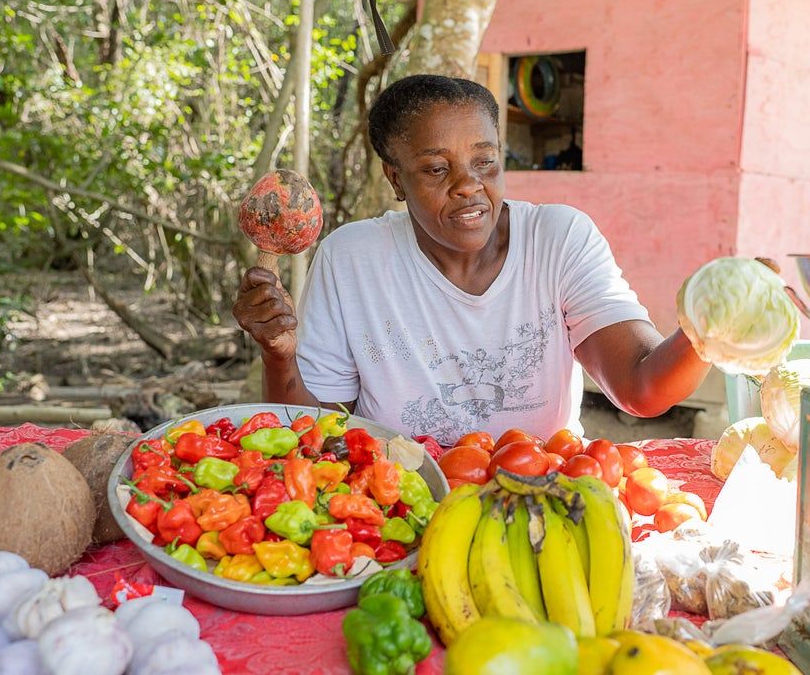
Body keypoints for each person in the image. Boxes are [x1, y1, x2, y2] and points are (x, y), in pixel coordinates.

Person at [233, 74, 710, 445]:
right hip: (399, 503)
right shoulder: (352, 259)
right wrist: (279, 356)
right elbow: (312, 433)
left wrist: (710, 330)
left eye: (485, 162)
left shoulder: (559, 240)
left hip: (544, 495)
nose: (468, 185)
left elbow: (642, 387)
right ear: (396, 180)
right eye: (437, 169)